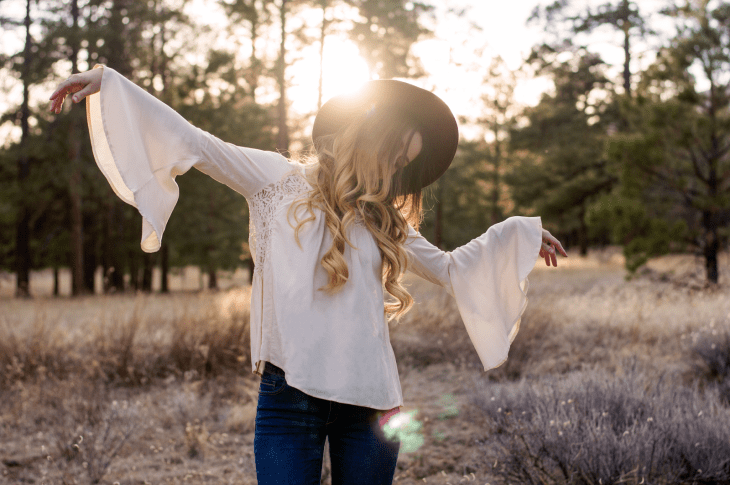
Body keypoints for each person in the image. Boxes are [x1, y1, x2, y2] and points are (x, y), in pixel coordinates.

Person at [50, 65, 567, 485]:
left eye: (405, 163)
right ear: (367, 136)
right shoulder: (277, 181)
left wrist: (518, 235)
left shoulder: (385, 219)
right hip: (288, 398)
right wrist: (111, 84)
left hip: (370, 407)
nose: (396, 170)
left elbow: (454, 269)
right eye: (393, 153)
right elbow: (197, 143)